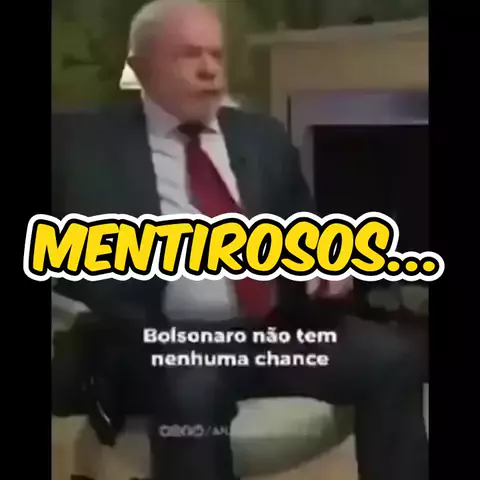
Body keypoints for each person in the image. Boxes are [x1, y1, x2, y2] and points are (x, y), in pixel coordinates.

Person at [51, 1, 428, 479]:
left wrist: (325, 269)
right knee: (190, 385)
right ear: (142, 68)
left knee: (394, 357)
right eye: (189, 55)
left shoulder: (261, 137)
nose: (209, 69)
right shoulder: (82, 148)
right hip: (161, 340)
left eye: (216, 55)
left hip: (271, 330)